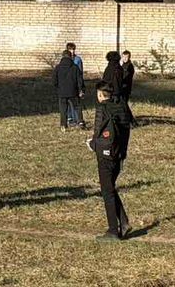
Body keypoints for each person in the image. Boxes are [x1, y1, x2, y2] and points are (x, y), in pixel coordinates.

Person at [87, 81, 132, 241]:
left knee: (107, 192)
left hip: (105, 155)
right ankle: (124, 223)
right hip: (119, 154)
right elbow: (126, 130)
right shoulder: (122, 106)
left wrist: (92, 144)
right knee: (110, 188)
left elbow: (98, 131)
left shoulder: (102, 109)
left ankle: (113, 231)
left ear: (100, 94)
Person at [53, 50, 86, 131]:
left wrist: (58, 88)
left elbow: (54, 81)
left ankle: (63, 125)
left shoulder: (58, 68)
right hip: (73, 92)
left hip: (62, 92)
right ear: (71, 57)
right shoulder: (75, 67)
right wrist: (81, 90)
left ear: (62, 56)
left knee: (63, 109)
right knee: (77, 107)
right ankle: (80, 121)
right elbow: (79, 80)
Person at [66, 42, 86, 126]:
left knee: (76, 102)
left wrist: (81, 87)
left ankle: (77, 119)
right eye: (70, 49)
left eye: (73, 49)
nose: (72, 51)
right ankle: (70, 118)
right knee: (68, 102)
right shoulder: (65, 59)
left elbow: (80, 73)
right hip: (68, 83)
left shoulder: (78, 59)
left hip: (76, 82)